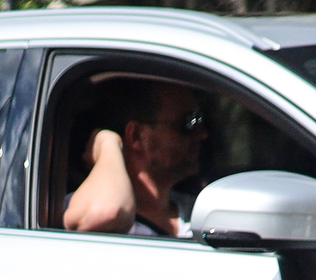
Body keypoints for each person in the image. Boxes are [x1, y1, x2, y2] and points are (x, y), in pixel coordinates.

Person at [62, 78, 208, 237]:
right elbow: (103, 213)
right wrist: (107, 141)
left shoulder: (199, 211)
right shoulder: (87, 203)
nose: (202, 134)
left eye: (199, 120)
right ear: (136, 135)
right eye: (189, 123)